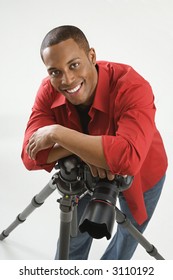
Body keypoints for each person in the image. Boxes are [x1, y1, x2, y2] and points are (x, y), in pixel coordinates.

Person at [21, 25, 168, 260]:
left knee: (128, 237)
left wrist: (58, 134)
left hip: (144, 173)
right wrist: (90, 149)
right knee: (74, 239)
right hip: (81, 174)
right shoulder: (48, 90)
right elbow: (29, 156)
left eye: (74, 64)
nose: (67, 79)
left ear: (91, 56)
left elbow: (128, 158)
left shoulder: (132, 85)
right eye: (55, 71)